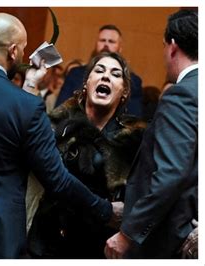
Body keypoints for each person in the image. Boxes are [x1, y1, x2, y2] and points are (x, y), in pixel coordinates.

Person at [0, 12, 122, 259]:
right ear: (12, 51)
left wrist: (30, 84)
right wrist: (106, 210)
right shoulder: (26, 106)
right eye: (21, 49)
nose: (22, 55)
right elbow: (57, 179)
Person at [27, 52, 145, 258]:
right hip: (47, 241)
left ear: (124, 91)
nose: (106, 76)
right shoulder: (58, 124)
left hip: (98, 247)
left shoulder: (135, 138)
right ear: (87, 82)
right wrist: (30, 83)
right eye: (99, 71)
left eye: (115, 74)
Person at [104, 9, 198, 259]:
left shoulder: (183, 94)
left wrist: (128, 234)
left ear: (173, 46)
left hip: (166, 241)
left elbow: (170, 173)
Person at [55, 24, 144, 118]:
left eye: (111, 41)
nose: (106, 44)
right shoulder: (75, 73)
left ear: (120, 48)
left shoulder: (133, 80)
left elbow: (133, 118)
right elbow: (60, 110)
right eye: (102, 40)